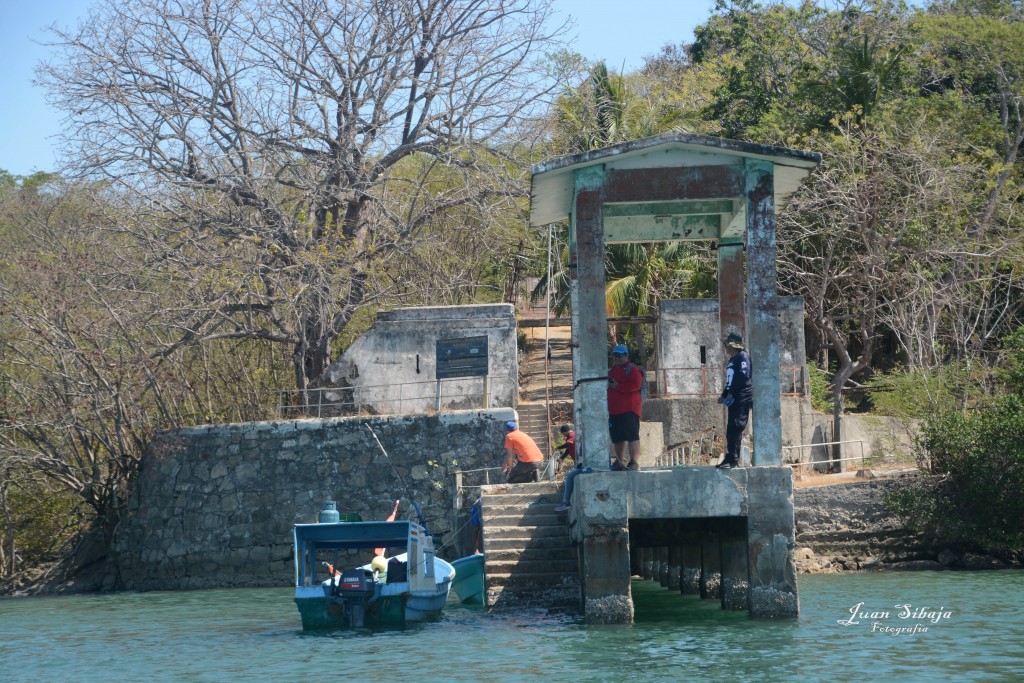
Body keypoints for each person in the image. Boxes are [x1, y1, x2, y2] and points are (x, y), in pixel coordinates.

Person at [717, 333, 753, 469]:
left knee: (737, 426)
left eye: (727, 345)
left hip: (742, 396)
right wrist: (724, 394)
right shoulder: (732, 360)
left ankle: (734, 459)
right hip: (733, 396)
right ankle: (729, 456)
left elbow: (744, 376)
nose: (725, 347)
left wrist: (731, 393)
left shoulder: (742, 356)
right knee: (730, 428)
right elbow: (730, 381)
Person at [608, 344, 643, 471]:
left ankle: (634, 462)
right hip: (614, 411)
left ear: (626, 355)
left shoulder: (632, 370)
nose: (617, 358)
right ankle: (619, 461)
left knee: (632, 436)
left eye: (620, 355)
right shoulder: (611, 370)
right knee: (618, 438)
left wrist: (617, 386)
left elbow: (636, 385)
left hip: (629, 409)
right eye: (615, 355)